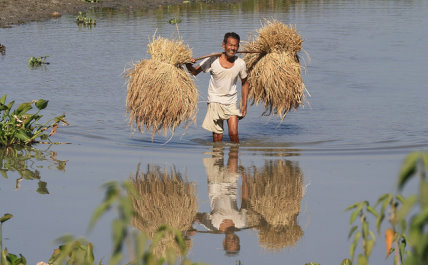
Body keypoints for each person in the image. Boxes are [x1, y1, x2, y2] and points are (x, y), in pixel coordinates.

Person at [186, 32, 249, 143]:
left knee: (234, 134)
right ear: (223, 45)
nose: (232, 48)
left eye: (235, 46)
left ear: (238, 47)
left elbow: (245, 83)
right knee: (217, 138)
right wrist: (188, 64)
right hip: (214, 101)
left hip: (231, 101)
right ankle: (217, 158)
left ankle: (234, 157)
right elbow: (194, 72)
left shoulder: (240, 63)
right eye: (230, 45)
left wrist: (244, 105)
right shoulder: (212, 59)